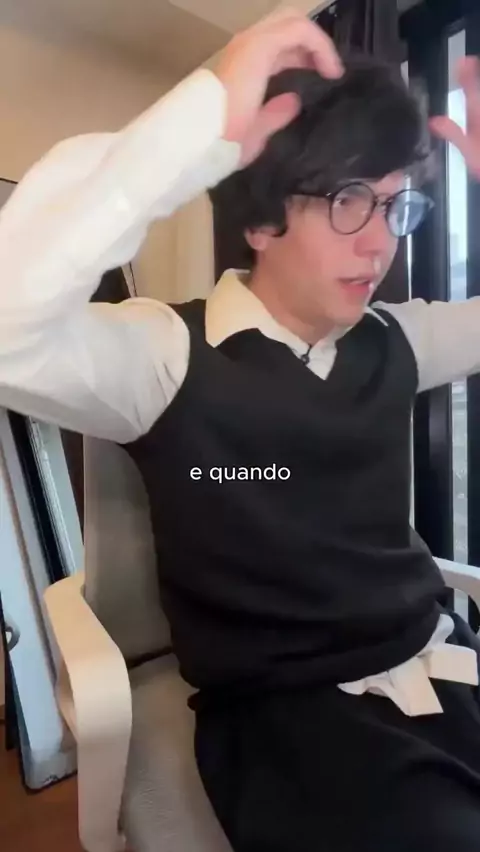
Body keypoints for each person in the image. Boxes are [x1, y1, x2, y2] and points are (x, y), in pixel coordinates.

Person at [2, 8, 480, 850]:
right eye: (349, 201)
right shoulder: (166, 356)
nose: (380, 244)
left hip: (442, 666)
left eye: (395, 206)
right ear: (260, 222)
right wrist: (193, 127)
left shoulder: (396, 340)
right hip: (291, 721)